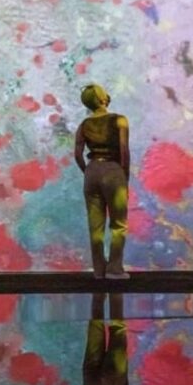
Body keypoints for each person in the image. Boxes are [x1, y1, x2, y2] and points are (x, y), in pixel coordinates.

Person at [74, 84, 130, 280]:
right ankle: (114, 268)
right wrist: (124, 176)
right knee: (119, 224)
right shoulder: (119, 120)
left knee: (95, 226)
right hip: (113, 170)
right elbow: (124, 150)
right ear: (103, 98)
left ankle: (99, 270)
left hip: (92, 171)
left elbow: (78, 154)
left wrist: (87, 171)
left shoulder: (84, 125)